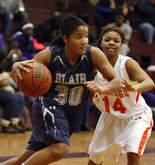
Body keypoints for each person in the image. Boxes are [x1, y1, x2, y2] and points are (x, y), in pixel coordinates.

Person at [1, 16, 122, 165]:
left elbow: (116, 81)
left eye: (85, 36)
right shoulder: (50, 54)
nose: (84, 41)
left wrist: (102, 88)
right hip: (49, 105)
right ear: (66, 38)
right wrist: (14, 67)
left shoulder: (93, 54)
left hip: (71, 113)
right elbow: (24, 71)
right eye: (78, 37)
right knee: (60, 149)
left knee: (24, 158)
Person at [85, 26, 155, 165]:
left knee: (133, 153)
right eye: (108, 40)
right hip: (110, 117)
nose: (112, 43)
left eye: (116, 41)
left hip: (136, 116)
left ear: (121, 45)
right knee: (94, 159)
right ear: (101, 43)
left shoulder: (127, 64)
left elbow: (149, 82)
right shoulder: (92, 65)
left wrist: (135, 87)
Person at [0, 59, 25, 133]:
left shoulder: (4, 73)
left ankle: (14, 123)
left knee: (20, 98)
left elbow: (9, 82)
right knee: (13, 98)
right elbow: (3, 82)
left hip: (5, 91)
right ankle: (6, 124)